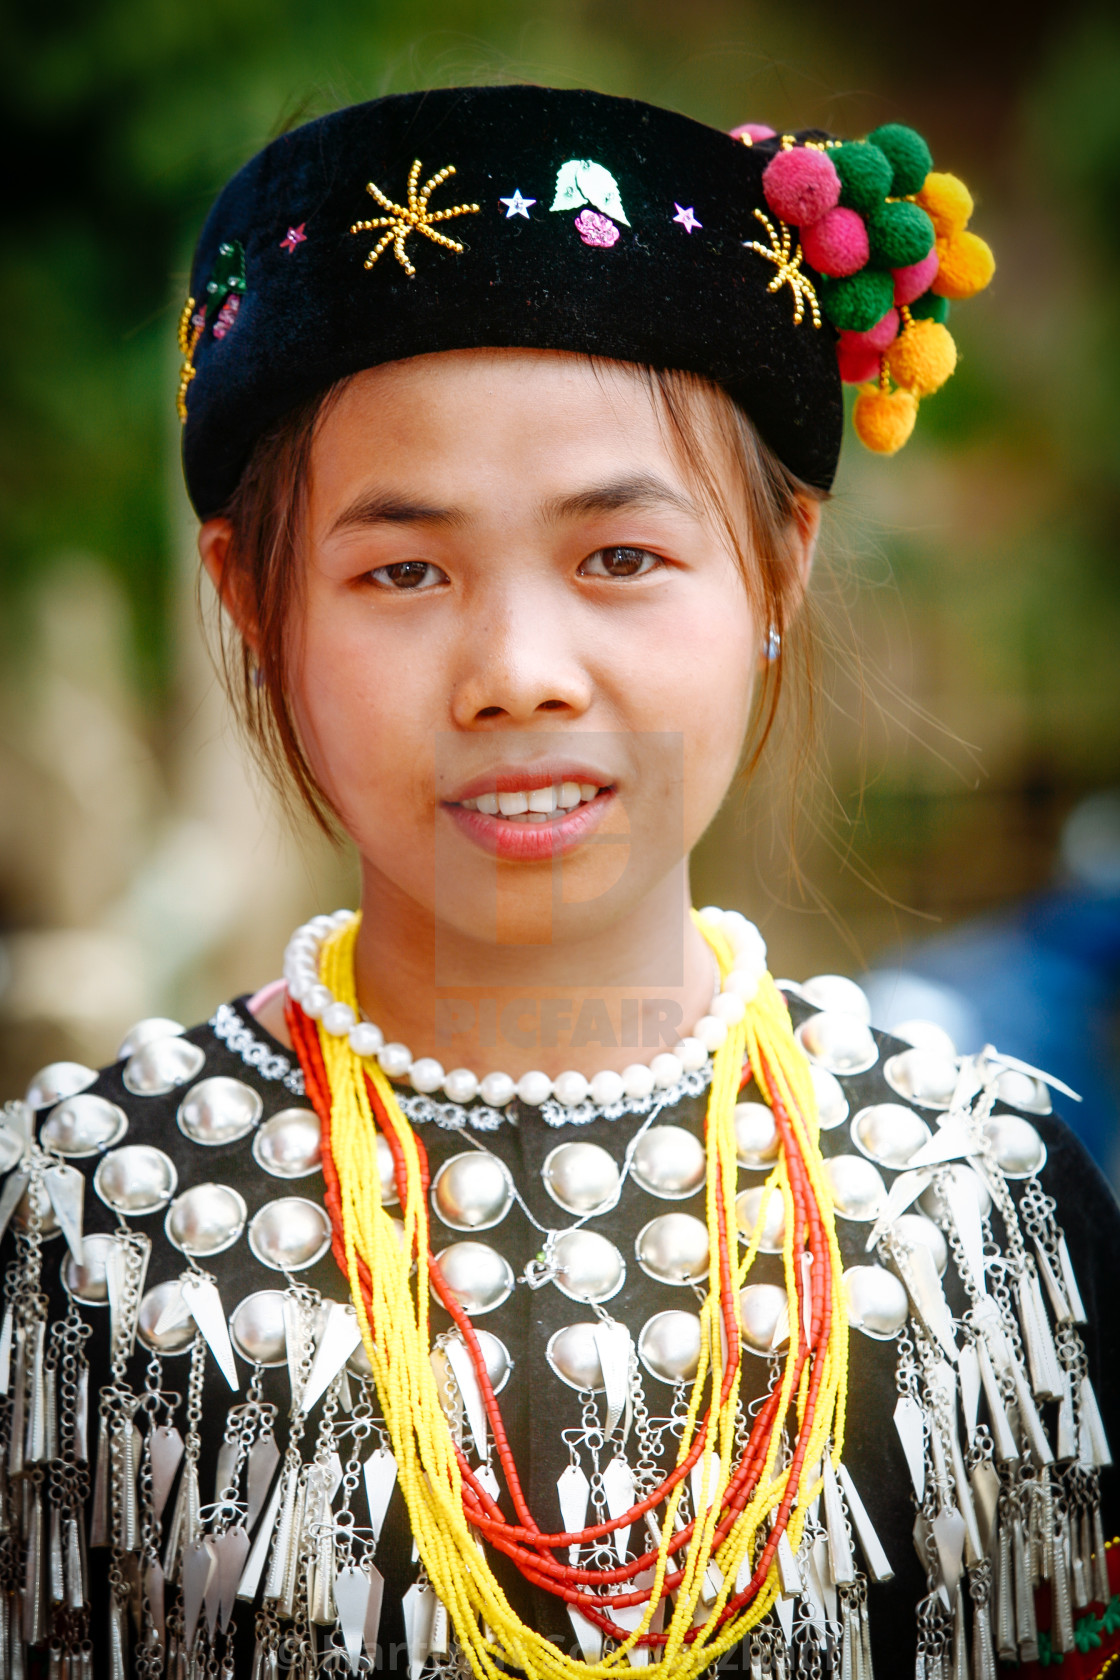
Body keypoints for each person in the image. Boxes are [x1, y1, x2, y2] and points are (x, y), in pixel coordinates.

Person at [0, 84, 1114, 1680]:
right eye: (403, 571)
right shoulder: (75, 1245)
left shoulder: (985, 1215)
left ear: (780, 562)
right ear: (251, 600)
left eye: (619, 557)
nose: (519, 672)